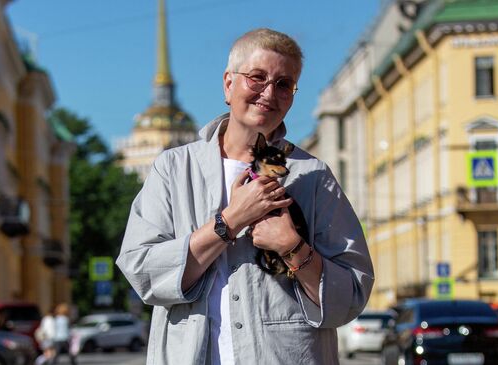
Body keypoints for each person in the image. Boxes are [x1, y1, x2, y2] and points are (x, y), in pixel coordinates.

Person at [116, 28, 374, 365]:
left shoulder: (313, 177)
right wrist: (230, 221)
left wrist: (292, 247)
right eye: (257, 78)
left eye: (284, 84)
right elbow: (142, 273)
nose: (269, 93)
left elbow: (351, 294)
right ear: (228, 84)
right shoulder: (175, 169)